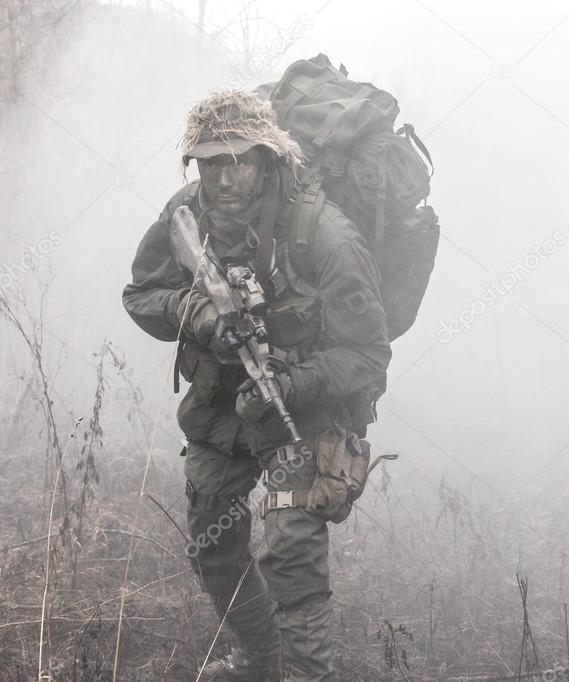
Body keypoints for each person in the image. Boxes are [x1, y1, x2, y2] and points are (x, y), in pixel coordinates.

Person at [122, 90, 390, 680]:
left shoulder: (323, 232)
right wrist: (195, 314)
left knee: (292, 556)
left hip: (306, 410)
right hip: (221, 405)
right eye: (210, 162)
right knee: (212, 550)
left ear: (267, 158)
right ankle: (261, 660)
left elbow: (369, 352)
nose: (223, 177)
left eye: (238, 160)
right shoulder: (186, 214)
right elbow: (140, 294)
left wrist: (293, 384)